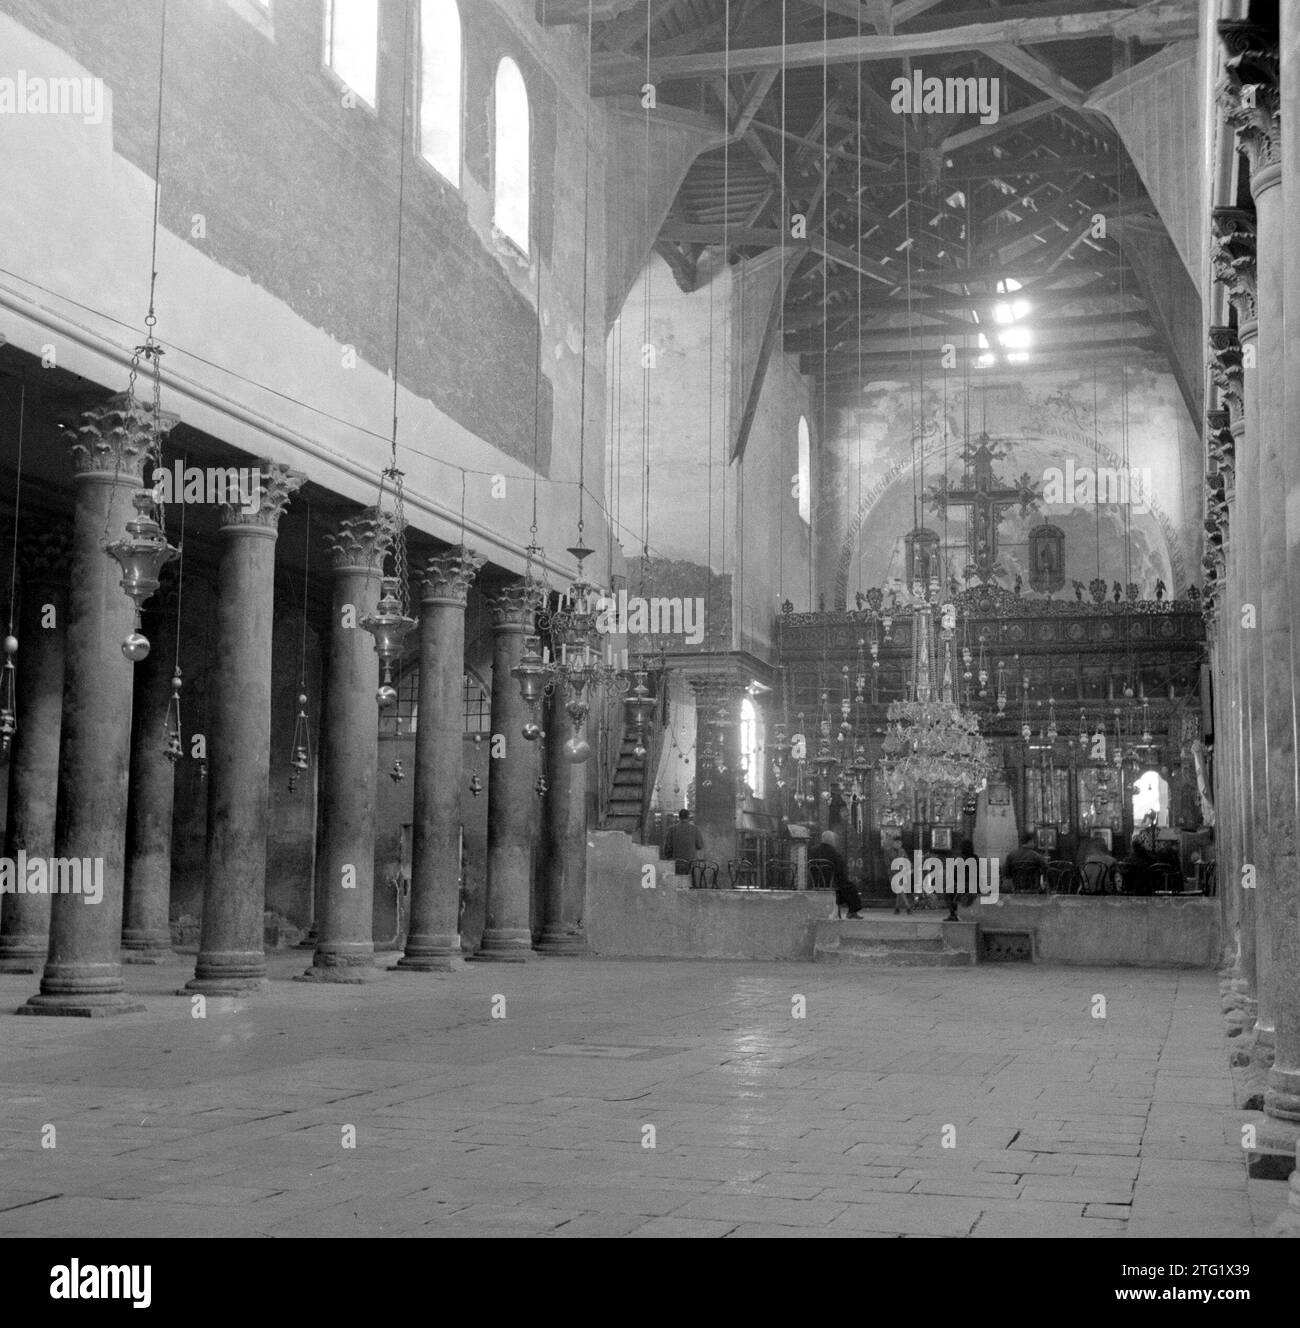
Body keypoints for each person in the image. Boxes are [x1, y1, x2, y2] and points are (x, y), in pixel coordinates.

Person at [807, 830, 863, 918]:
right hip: (831, 884)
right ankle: (852, 911)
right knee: (851, 888)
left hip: (815, 883)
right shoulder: (834, 853)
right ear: (831, 841)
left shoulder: (813, 851)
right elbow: (841, 872)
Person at [662, 808, 704, 877]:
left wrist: (669, 858)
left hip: (677, 863)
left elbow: (668, 848)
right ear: (688, 817)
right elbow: (700, 845)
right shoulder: (695, 829)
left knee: (678, 883)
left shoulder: (672, 829)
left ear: (679, 817)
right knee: (691, 882)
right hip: (691, 863)